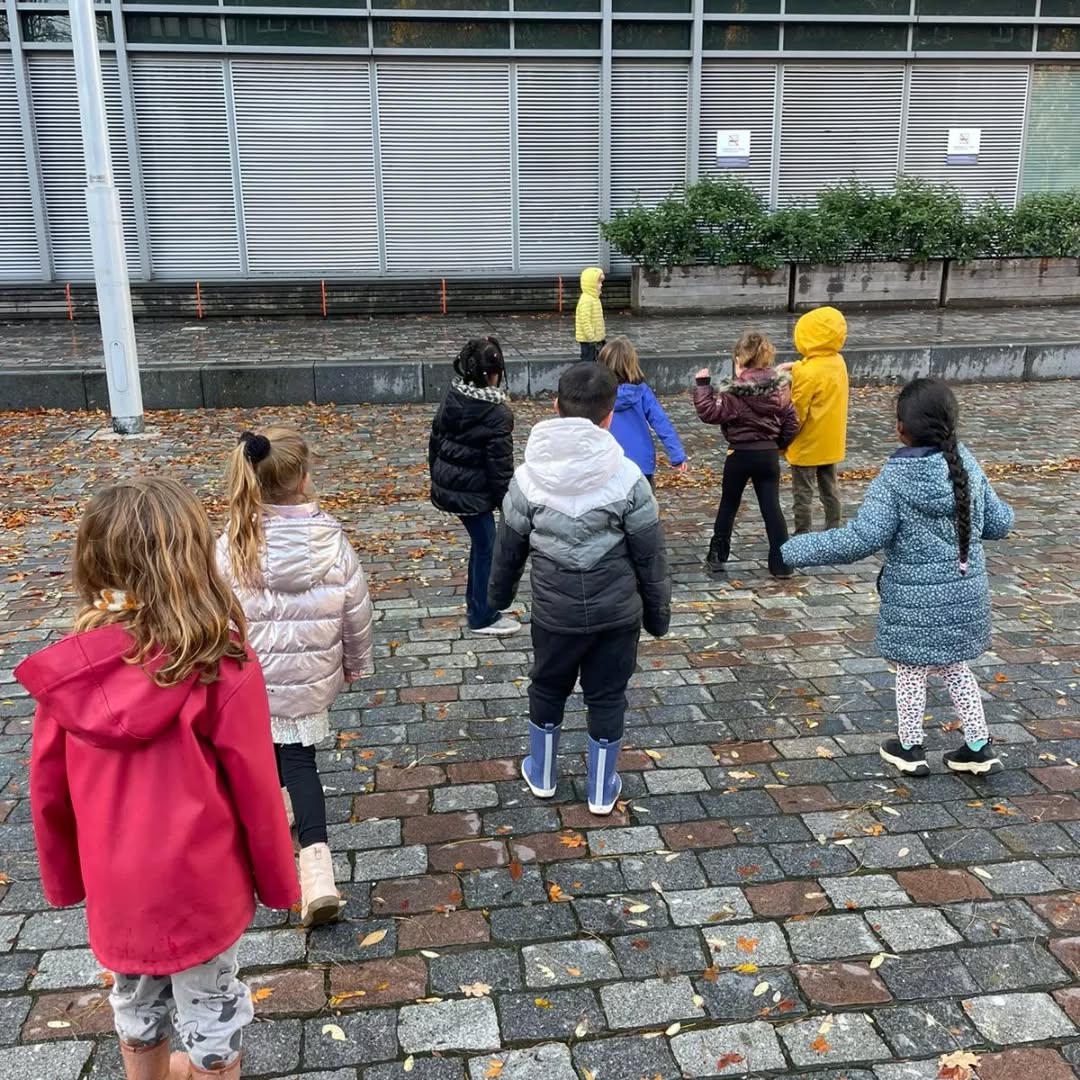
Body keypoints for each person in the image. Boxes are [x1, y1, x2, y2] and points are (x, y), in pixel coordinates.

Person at [16, 477, 298, 1080]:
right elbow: (256, 786)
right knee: (212, 1011)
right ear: (193, 556)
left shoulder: (72, 670)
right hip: (202, 884)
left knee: (135, 1002)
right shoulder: (219, 663)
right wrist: (279, 882)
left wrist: (66, 880)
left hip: (117, 886)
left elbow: (48, 791)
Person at [781, 377, 1013, 777]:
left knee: (910, 672)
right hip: (965, 597)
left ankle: (909, 747)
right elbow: (998, 523)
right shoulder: (968, 464)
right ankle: (978, 745)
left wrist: (793, 549)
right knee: (956, 669)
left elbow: (861, 538)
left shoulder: (894, 479)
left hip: (913, 603)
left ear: (902, 428)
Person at [489, 362, 671, 815]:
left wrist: (497, 598)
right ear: (609, 416)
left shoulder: (527, 478)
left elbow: (507, 547)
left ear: (556, 407)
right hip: (616, 614)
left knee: (547, 686)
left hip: (555, 614)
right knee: (607, 695)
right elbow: (651, 555)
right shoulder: (629, 477)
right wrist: (658, 614)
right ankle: (600, 788)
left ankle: (544, 773)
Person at [218, 427, 373, 928]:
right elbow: (356, 611)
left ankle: (264, 845)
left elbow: (215, 614)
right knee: (301, 762)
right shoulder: (332, 541)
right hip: (307, 677)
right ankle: (318, 876)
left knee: (264, 758)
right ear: (305, 479)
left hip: (247, 683)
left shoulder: (230, 546)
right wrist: (355, 663)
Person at [429, 337, 520, 637]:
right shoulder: (497, 413)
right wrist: (507, 503)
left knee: (483, 544)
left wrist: (437, 476)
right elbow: (500, 468)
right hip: (472, 491)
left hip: (451, 484)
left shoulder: (454, 396)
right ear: (493, 374)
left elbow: (435, 440)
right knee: (487, 546)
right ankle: (481, 615)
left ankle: (479, 605)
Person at [693, 330, 798, 577]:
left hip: (739, 454)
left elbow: (710, 413)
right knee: (771, 506)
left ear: (740, 359)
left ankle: (717, 557)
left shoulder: (734, 390)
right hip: (768, 454)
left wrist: (702, 386)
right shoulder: (781, 388)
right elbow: (791, 421)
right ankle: (782, 564)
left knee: (729, 504)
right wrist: (778, 444)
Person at [780, 306, 850, 533]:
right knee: (830, 490)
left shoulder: (807, 373)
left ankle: (803, 536)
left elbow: (797, 413)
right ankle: (834, 530)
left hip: (807, 444)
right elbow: (820, 366)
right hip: (830, 441)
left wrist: (783, 440)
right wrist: (797, 365)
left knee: (803, 494)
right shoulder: (838, 362)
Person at [599, 336, 688, 488]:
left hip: (608, 460)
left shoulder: (595, 394)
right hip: (640, 460)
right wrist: (677, 455)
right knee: (644, 507)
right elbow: (661, 423)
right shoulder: (642, 392)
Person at [575, 266, 606, 363]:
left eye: (601, 282)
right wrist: (591, 338)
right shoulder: (586, 300)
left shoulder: (594, 298)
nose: (601, 285)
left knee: (596, 362)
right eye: (599, 282)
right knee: (588, 362)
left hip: (596, 340)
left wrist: (601, 338)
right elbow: (585, 321)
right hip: (588, 341)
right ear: (591, 284)